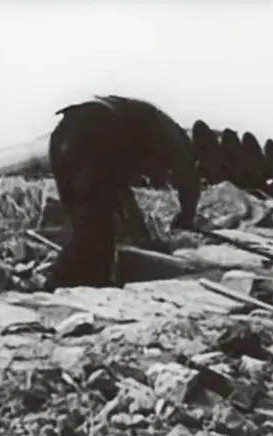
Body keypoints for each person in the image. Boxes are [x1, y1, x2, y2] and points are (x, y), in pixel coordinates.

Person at [45, 95, 202, 291]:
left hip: (63, 135)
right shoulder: (174, 139)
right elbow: (189, 178)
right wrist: (186, 217)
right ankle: (57, 282)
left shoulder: (128, 139)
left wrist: (144, 237)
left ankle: (91, 281)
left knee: (91, 223)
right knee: (94, 226)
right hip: (92, 131)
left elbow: (122, 198)